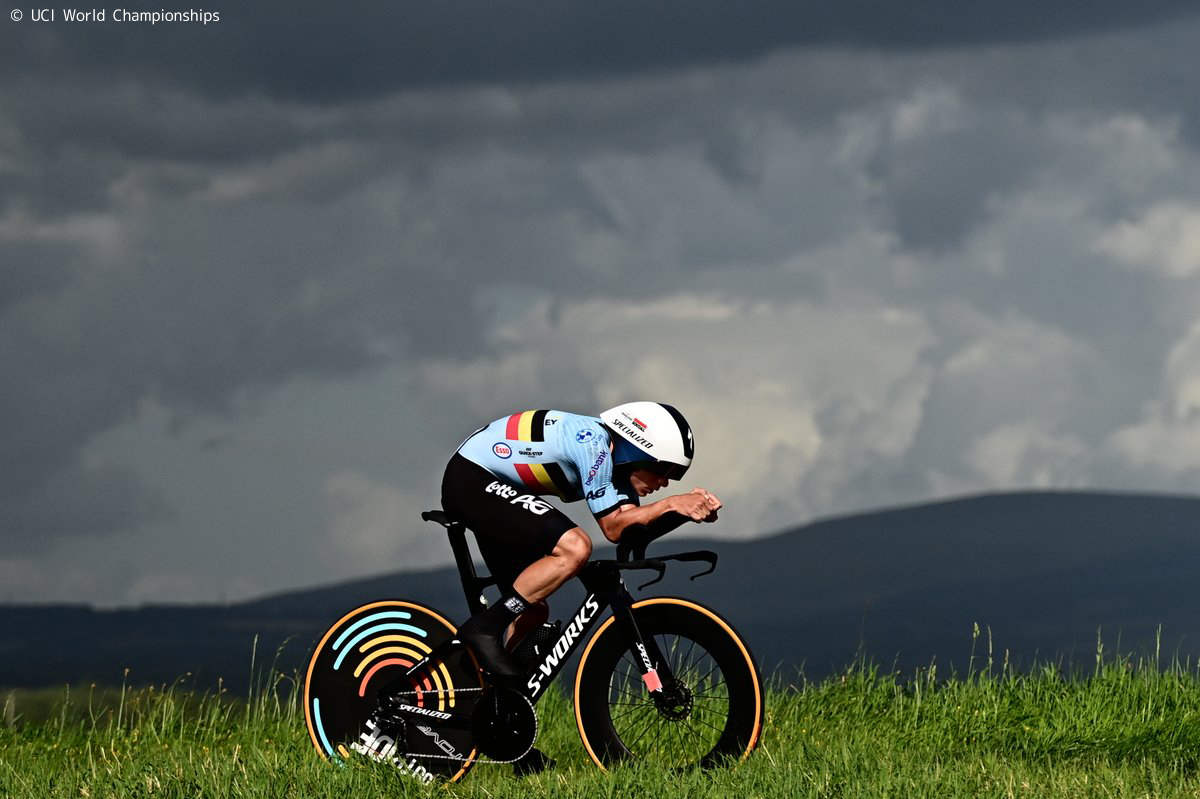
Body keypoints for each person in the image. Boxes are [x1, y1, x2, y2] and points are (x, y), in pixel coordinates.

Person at [441, 402, 722, 681]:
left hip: (493, 488)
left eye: (675, 475)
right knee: (575, 547)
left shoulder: (620, 470)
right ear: (639, 451)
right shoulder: (592, 443)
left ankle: (496, 692)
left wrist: (684, 513)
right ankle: (483, 629)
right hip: (471, 478)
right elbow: (612, 527)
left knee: (533, 609)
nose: (665, 482)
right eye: (664, 470)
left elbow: (630, 530)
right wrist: (672, 503)